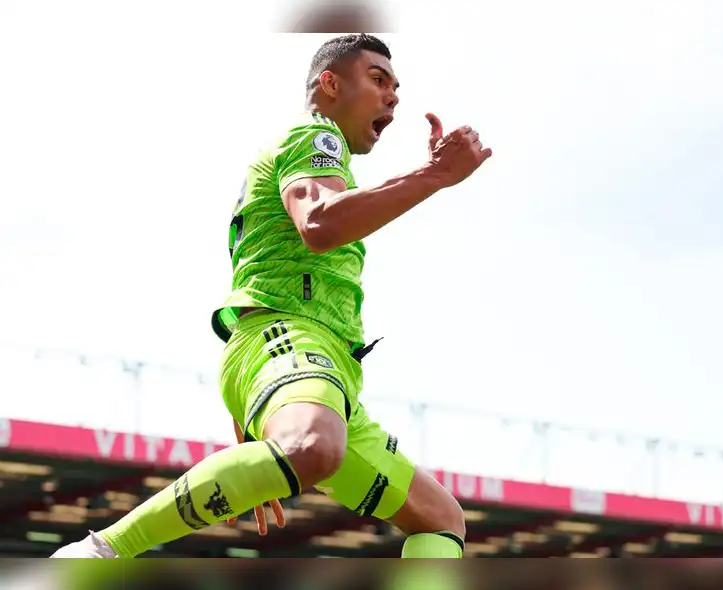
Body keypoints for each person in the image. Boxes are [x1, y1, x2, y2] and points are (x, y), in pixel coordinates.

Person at [52, 33, 492, 559]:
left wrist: (257, 456)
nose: (392, 96)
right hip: (288, 339)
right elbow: (321, 223)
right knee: (313, 448)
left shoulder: (323, 161)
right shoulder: (312, 138)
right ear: (329, 84)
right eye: (377, 80)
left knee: (440, 519)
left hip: (316, 366)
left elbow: (265, 271)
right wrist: (436, 175)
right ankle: (98, 554)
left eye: (397, 87)